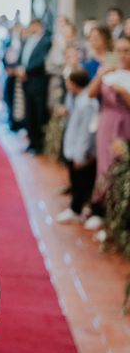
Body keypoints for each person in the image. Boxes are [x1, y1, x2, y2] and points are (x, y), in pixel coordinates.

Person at [87, 35, 130, 231]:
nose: (122, 55)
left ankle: (118, 215)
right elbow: (91, 93)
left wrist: (123, 91)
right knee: (103, 166)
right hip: (106, 123)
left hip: (125, 124)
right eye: (119, 50)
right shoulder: (109, 71)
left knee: (119, 166)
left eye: (126, 51)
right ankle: (100, 210)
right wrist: (101, 74)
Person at [55, 69, 99, 224]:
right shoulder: (78, 98)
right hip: (75, 148)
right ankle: (76, 208)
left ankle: (78, 210)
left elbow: (87, 131)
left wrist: (81, 154)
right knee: (76, 180)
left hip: (82, 151)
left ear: (73, 84)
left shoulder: (87, 102)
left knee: (82, 182)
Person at [16, 19, 52, 154]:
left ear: (38, 26)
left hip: (37, 81)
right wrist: (20, 68)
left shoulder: (46, 41)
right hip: (26, 81)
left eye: (32, 26)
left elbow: (41, 61)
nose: (30, 28)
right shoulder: (27, 40)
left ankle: (39, 144)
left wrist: (26, 71)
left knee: (39, 112)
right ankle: (31, 142)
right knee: (29, 112)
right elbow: (22, 57)